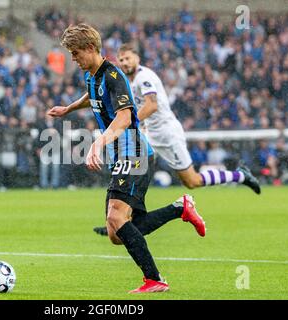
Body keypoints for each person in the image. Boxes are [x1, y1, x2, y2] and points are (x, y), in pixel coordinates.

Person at [48, 24, 205, 293]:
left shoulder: (114, 76)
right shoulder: (93, 75)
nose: (73, 59)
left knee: (116, 218)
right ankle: (180, 208)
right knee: (116, 233)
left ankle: (155, 279)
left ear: (89, 48)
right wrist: (69, 108)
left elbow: (124, 117)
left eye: (75, 53)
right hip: (122, 154)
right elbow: (93, 96)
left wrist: (97, 142)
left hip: (134, 152)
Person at [93, 43, 261, 237]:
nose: (124, 62)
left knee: (192, 180)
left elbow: (152, 105)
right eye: (121, 59)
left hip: (166, 134)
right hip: (149, 134)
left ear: (137, 58)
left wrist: (131, 123)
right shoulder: (127, 81)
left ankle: (240, 175)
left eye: (128, 58)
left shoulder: (144, 77)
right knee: (132, 168)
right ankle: (120, 221)